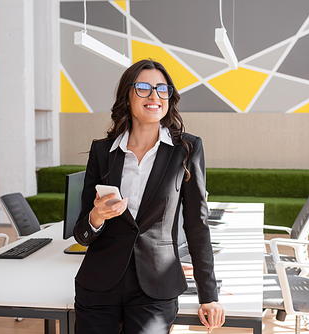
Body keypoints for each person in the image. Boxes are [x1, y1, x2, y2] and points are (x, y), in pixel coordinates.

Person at [73, 59, 225, 334]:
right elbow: (82, 234)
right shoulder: (102, 152)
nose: (154, 96)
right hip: (98, 284)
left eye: (162, 89)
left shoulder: (187, 149)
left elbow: (196, 225)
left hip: (156, 287)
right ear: (127, 97)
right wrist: (96, 217)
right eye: (143, 88)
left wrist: (209, 295)